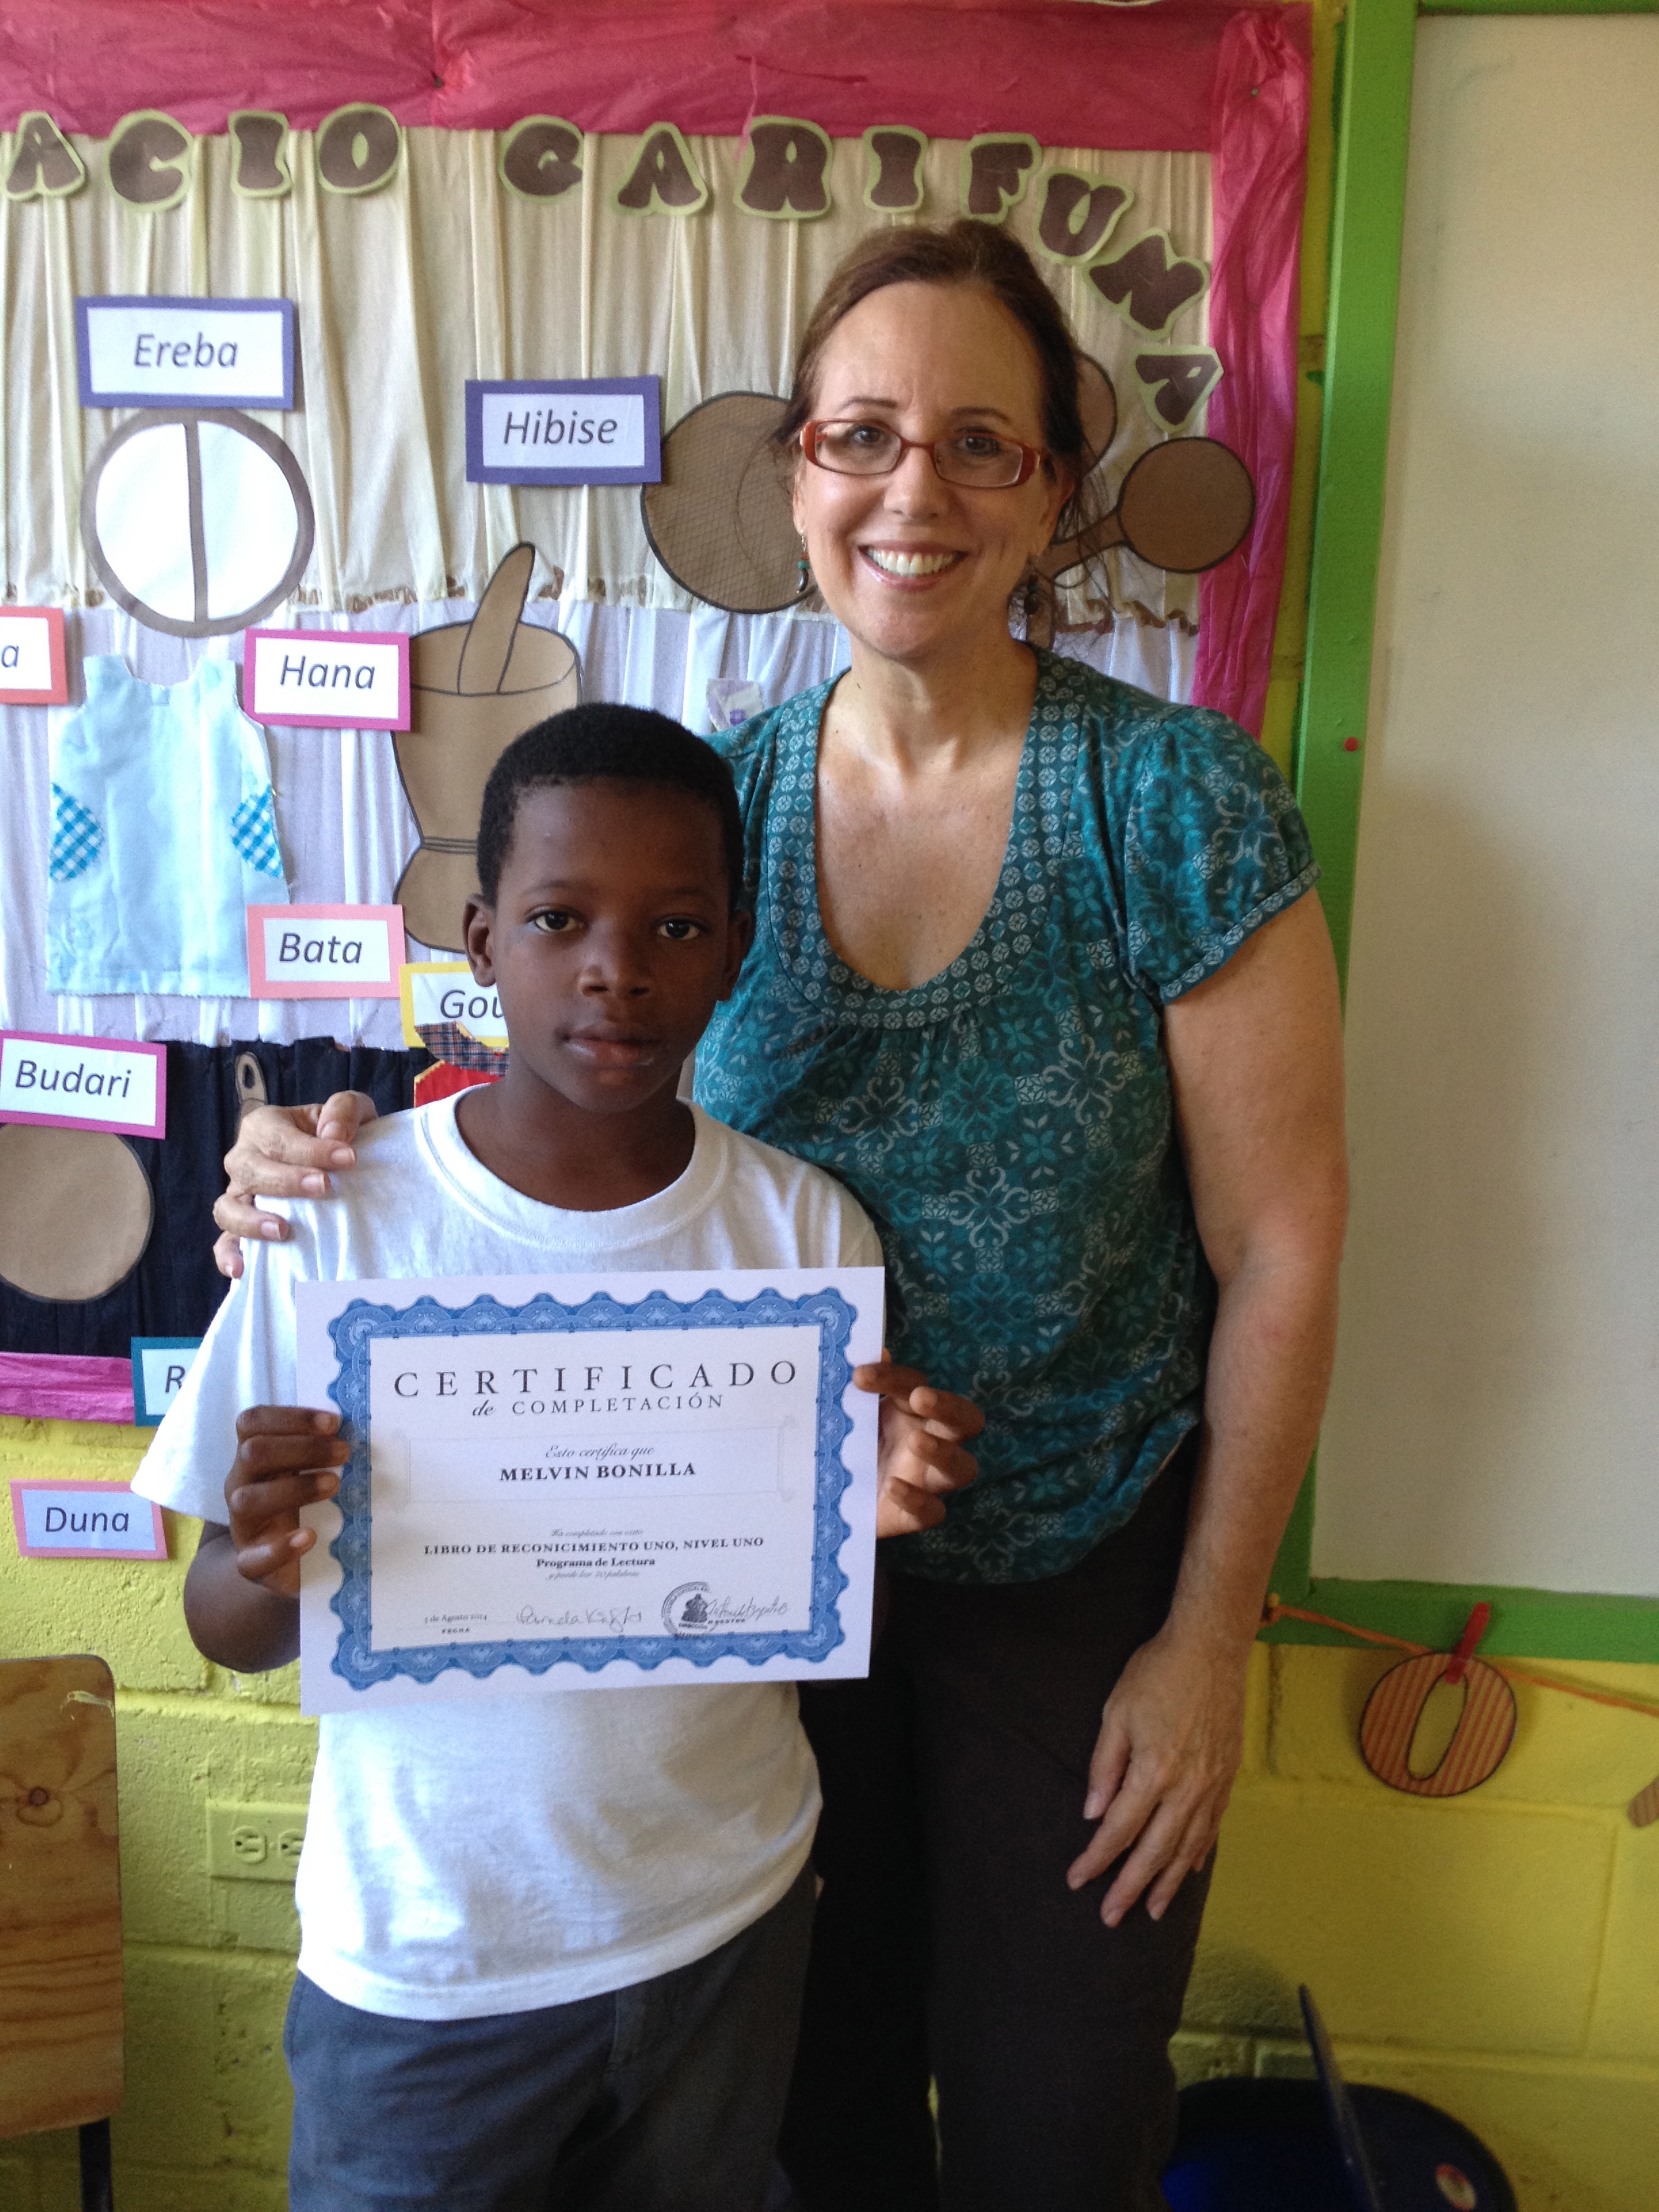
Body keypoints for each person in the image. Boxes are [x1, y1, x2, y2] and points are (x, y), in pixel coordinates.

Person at [216, 222, 1348, 2211]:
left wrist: (1206, 1639)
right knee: (813, 2124)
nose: (916, 492)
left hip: (1072, 1591)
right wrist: (321, 1159)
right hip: (732, 1610)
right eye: (862, 435)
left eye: (981, 443)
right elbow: (569, 1088)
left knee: (1058, 2124)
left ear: (1054, 494)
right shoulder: (713, 805)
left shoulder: (1177, 802)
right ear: (799, 471)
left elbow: (1285, 1249)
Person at [138, 706, 981, 2212]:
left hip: (723, 1924)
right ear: (480, 939)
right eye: (557, 919)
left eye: (676, 926)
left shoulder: (803, 1231)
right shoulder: (340, 1216)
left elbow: (820, 1592)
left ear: (734, 951)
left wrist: (885, 1499)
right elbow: (226, 1626)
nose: (616, 969)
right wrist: (265, 1558)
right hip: (430, 1960)